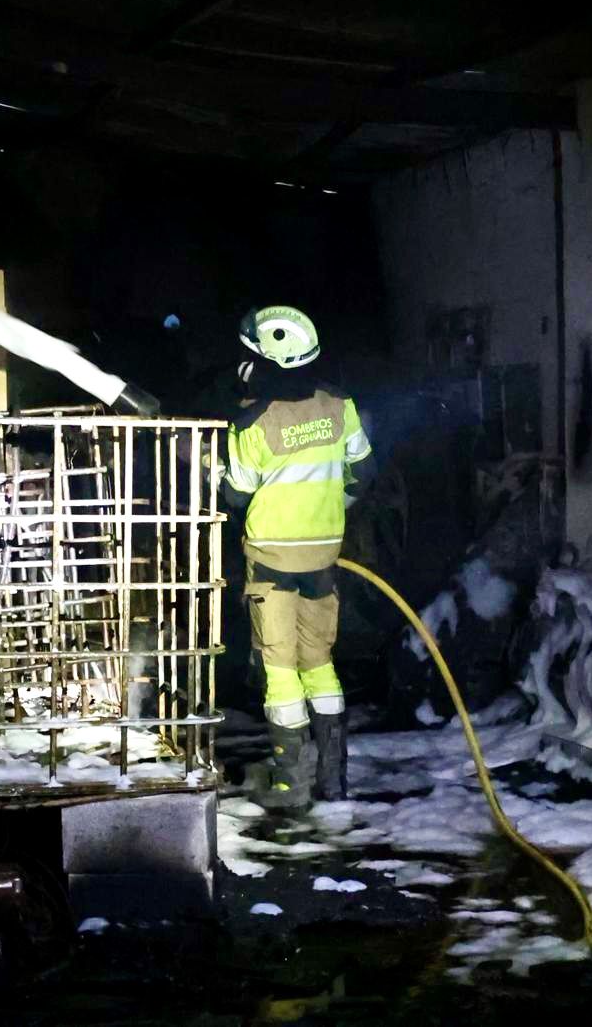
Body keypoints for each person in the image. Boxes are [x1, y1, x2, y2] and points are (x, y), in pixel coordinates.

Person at [223, 305, 371, 808]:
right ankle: (334, 779)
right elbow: (362, 472)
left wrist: (211, 470)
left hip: (271, 560)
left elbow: (237, 495)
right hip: (325, 553)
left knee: (280, 667)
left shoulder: (253, 423)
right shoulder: (340, 405)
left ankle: (290, 780)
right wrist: (330, 511)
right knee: (320, 662)